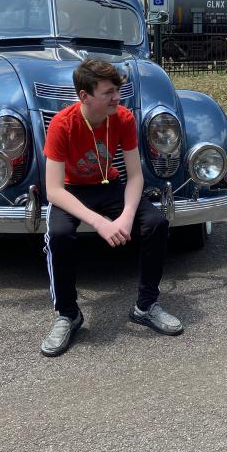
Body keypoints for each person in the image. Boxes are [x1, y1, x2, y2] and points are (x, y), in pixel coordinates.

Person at [40, 58, 183, 357]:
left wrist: (127, 217)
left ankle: (145, 307)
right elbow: (53, 190)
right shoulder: (61, 124)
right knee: (60, 234)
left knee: (155, 223)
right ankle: (68, 315)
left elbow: (135, 175)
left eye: (117, 90)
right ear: (84, 96)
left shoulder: (124, 118)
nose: (117, 98)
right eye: (108, 92)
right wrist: (102, 223)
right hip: (73, 190)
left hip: (110, 185)